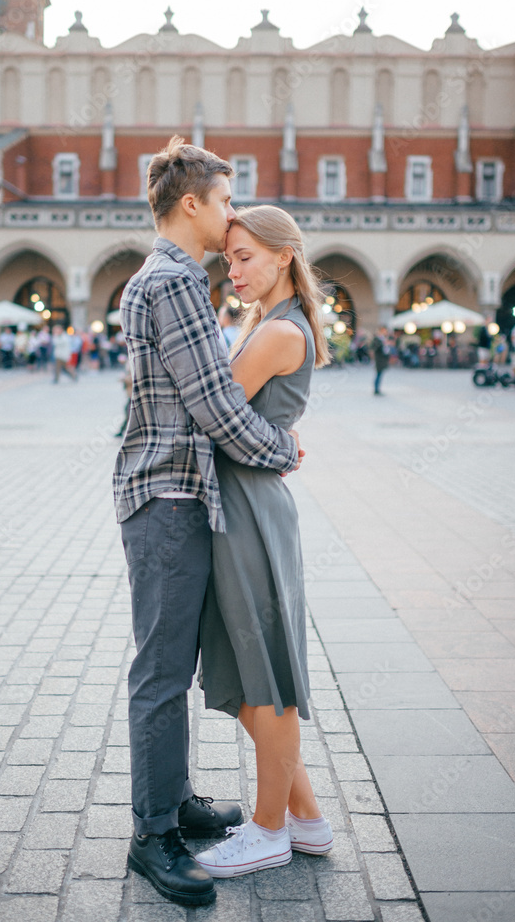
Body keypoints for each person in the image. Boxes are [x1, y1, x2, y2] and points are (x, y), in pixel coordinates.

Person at [113, 137, 301, 908]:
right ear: (190, 203)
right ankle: (153, 833)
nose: (230, 217)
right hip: (167, 498)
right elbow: (217, 406)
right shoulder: (176, 283)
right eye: (225, 200)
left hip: (172, 495)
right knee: (161, 673)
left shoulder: (166, 279)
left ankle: (176, 799)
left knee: (173, 668)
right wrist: (281, 447)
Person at [194, 205, 333, 880]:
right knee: (252, 671)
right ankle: (305, 816)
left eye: (245, 256)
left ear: (283, 255)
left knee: (266, 675)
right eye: (228, 259)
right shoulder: (267, 325)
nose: (234, 270)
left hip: (250, 507)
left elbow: (214, 410)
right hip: (245, 502)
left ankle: (269, 828)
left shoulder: (280, 331)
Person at [371, 326, 392, 394]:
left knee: (380, 374)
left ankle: (377, 388)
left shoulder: (384, 339)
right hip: (379, 359)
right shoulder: (377, 339)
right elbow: (374, 347)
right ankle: (376, 389)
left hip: (383, 359)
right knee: (378, 374)